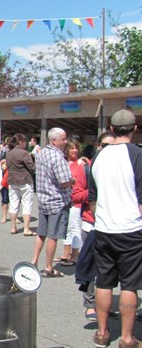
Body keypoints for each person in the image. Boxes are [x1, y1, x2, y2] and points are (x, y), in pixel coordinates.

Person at [89, 109, 142, 348]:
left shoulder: (98, 157)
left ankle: (102, 333)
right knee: (129, 284)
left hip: (104, 227)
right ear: (134, 129)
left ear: (111, 129)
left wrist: (100, 217)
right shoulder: (137, 155)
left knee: (104, 281)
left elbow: (92, 196)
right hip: (130, 228)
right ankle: (127, 338)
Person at [74, 131, 115, 322]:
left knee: (110, 269)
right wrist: (94, 195)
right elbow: (76, 195)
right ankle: (90, 305)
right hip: (91, 223)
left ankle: (105, 306)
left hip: (114, 226)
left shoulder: (122, 169)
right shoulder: (88, 168)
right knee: (90, 265)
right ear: (98, 147)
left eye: (112, 146)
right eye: (105, 146)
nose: (109, 150)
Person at [31, 127, 75, 278]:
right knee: (53, 235)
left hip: (43, 199)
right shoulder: (58, 157)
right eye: (63, 139)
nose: (65, 141)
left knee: (41, 233)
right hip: (57, 200)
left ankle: (34, 261)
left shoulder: (41, 153)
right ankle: (48, 267)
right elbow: (64, 181)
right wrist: (73, 180)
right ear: (54, 140)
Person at [54, 139, 85, 266]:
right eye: (72, 148)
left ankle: (75, 255)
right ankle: (66, 253)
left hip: (76, 200)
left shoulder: (81, 163)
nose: (74, 150)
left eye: (76, 148)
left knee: (74, 227)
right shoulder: (64, 163)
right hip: (65, 200)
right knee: (66, 227)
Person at [5, 133, 36, 236]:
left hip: (12, 180)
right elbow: (32, 167)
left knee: (13, 204)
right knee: (27, 204)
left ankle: (13, 227)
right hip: (25, 180)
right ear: (21, 142)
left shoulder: (9, 153)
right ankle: (26, 229)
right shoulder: (24, 153)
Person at [0, 159, 10, 224]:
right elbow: (1, 167)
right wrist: (2, 163)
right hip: (5, 183)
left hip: (14, 182)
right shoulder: (5, 161)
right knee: (5, 200)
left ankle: (15, 217)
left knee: (15, 201)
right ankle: (4, 216)